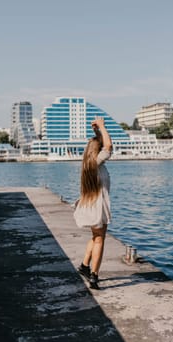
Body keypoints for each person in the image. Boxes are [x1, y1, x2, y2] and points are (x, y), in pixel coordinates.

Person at [73, 116, 112, 289]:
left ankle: (84, 266)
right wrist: (102, 126)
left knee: (95, 237)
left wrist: (97, 131)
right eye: (100, 147)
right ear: (97, 152)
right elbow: (109, 147)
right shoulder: (97, 163)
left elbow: (103, 143)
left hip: (89, 205)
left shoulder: (88, 163)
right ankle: (94, 276)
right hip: (97, 207)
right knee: (99, 239)